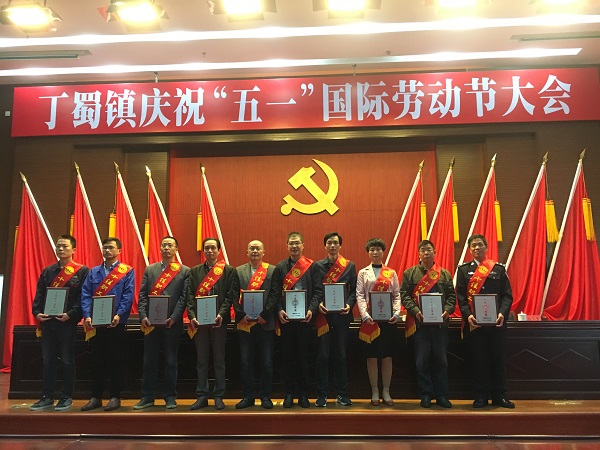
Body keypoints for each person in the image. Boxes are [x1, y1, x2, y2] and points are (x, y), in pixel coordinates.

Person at [29, 235, 89, 412]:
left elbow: (82, 297)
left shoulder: (81, 271)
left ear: (73, 250)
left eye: (65, 246)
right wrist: (37, 313)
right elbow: (40, 295)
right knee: (48, 360)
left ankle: (66, 396)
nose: (61, 249)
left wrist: (71, 314)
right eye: (58, 246)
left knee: (67, 359)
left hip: (67, 323)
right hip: (48, 323)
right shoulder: (48, 271)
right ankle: (47, 396)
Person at [456, 234, 515, 409]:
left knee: (498, 359)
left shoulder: (498, 269)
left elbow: (507, 295)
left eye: (480, 245)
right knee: (478, 360)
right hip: (475, 324)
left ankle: (499, 395)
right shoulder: (463, 270)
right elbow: (461, 297)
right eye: (473, 245)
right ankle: (480, 395)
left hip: (497, 323)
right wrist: (468, 315)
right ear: (469, 249)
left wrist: (502, 313)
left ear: (486, 247)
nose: (477, 248)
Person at [134, 236, 190, 410]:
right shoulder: (150, 270)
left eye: (170, 245)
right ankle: (147, 396)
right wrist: (143, 315)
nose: (166, 248)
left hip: (172, 324)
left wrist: (174, 317)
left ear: (176, 249)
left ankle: (170, 397)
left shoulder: (184, 271)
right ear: (159, 248)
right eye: (164, 245)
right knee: (149, 361)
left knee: (171, 362)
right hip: (150, 323)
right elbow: (142, 295)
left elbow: (184, 298)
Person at [80, 237, 135, 412]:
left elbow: (128, 295)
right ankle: (96, 397)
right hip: (96, 324)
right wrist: (87, 315)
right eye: (105, 248)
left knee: (116, 360)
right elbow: (85, 294)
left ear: (119, 250)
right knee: (97, 360)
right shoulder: (93, 272)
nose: (107, 250)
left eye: (111, 247)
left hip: (116, 323)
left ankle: (115, 397)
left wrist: (119, 315)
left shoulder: (126, 271)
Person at [400, 239, 456, 409]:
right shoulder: (410, 274)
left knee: (441, 361)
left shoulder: (444, 274)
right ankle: (425, 394)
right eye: (423, 250)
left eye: (429, 250)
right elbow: (405, 296)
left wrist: (447, 310)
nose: (426, 253)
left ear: (434, 252)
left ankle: (441, 395)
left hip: (440, 326)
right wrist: (415, 311)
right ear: (418, 253)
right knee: (421, 361)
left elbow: (451, 297)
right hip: (420, 326)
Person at [186, 237, 239, 411]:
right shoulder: (194, 271)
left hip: (219, 322)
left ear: (218, 250)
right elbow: (189, 296)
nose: (209, 251)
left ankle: (219, 396)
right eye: (207, 248)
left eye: (213, 248)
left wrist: (221, 314)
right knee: (201, 360)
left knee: (219, 359)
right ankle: (202, 395)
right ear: (203, 251)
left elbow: (230, 296)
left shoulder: (228, 271)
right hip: (199, 322)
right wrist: (192, 316)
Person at [274, 231, 321, 409]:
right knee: (287, 358)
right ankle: (288, 393)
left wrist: (311, 310)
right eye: (291, 243)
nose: (294, 246)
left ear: (303, 245)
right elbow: (275, 293)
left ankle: (303, 394)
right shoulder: (280, 267)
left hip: (305, 320)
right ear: (287, 246)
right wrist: (279, 310)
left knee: (304, 357)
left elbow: (318, 291)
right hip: (286, 320)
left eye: (297, 243)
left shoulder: (312, 266)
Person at [234, 240, 280, 410]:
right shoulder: (238, 271)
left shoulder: (272, 270)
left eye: (257, 248)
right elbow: (233, 295)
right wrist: (240, 314)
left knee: (267, 363)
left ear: (263, 252)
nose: (254, 251)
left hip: (265, 323)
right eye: (251, 248)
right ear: (247, 252)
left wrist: (265, 315)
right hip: (245, 323)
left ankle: (265, 396)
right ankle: (248, 397)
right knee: (246, 362)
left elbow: (275, 294)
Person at [312, 232, 357, 407]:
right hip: (323, 317)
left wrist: (349, 305)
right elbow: (315, 290)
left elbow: (354, 291)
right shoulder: (317, 266)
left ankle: (342, 394)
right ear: (325, 246)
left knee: (341, 356)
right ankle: (322, 394)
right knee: (322, 357)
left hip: (342, 317)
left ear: (340, 245)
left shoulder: (349, 266)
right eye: (329, 243)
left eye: (335, 243)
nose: (332, 246)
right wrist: (318, 305)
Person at [356, 238, 401, 407]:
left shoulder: (391, 273)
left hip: (388, 321)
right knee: (372, 357)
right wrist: (365, 315)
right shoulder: (363, 273)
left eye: (378, 249)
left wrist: (396, 313)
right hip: (370, 320)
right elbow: (360, 295)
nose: (375, 252)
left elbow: (396, 295)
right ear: (368, 252)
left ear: (383, 252)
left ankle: (386, 390)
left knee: (387, 357)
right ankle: (375, 390)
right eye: (372, 249)